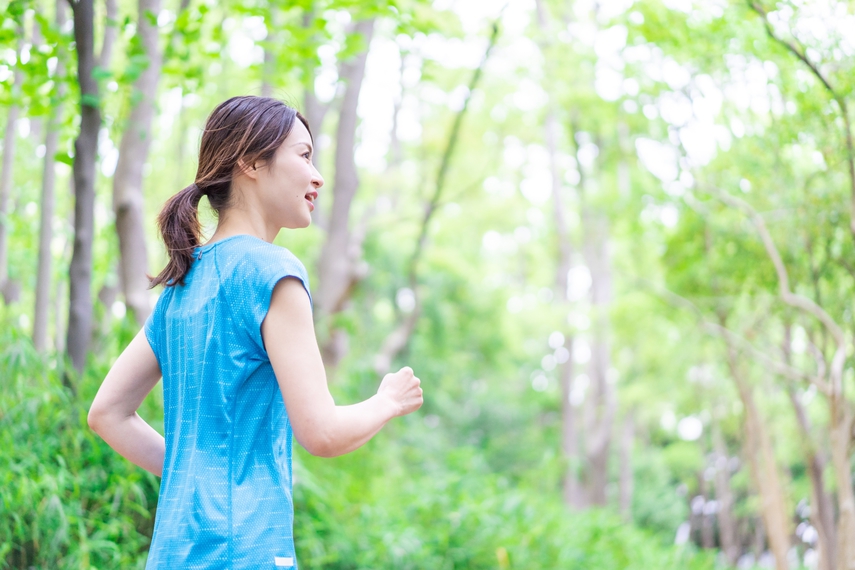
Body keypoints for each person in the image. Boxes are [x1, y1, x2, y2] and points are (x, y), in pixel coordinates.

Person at [87, 95, 424, 569]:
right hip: (244, 551)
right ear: (249, 160)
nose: (318, 175)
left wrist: (195, 473)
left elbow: (106, 414)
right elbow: (323, 433)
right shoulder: (272, 273)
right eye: (304, 155)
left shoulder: (182, 285)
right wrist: (388, 401)